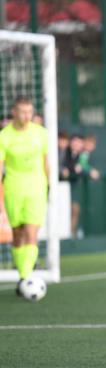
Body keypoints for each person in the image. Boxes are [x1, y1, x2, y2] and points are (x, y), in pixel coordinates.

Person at [0, 97, 49, 295]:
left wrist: (49, 185)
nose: (26, 116)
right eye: (22, 111)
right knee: (18, 234)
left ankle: (26, 277)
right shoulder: (4, 136)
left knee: (31, 232)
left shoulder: (41, 133)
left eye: (29, 111)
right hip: (13, 188)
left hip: (36, 188)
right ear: (14, 112)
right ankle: (23, 275)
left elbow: (46, 162)